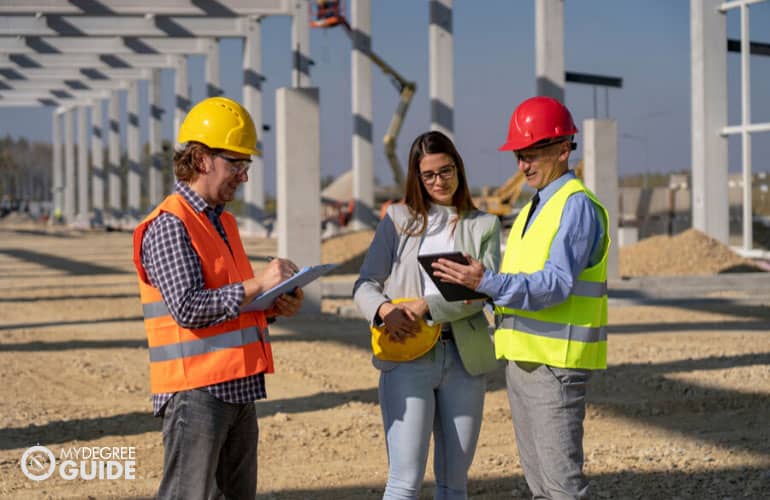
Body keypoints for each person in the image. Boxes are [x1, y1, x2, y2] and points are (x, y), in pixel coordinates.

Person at [432, 96, 609, 500]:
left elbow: (555, 284)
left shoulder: (575, 206)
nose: (523, 165)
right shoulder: (536, 205)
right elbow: (522, 281)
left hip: (555, 365)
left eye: (532, 154)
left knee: (562, 486)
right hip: (525, 360)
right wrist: (475, 287)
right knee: (541, 487)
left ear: (564, 149)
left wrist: (489, 282)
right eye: (519, 156)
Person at [132, 96, 304, 499]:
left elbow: (231, 299)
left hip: (238, 387)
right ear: (201, 159)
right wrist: (259, 284)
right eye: (236, 164)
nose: (243, 176)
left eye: (247, 165)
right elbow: (189, 308)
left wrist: (274, 305)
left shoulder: (222, 221)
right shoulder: (170, 225)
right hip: (197, 393)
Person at [353, 130, 502, 499]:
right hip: (407, 358)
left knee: (455, 483)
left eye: (446, 171)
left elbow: (482, 291)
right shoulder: (397, 220)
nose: (439, 181)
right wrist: (385, 309)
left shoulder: (484, 225)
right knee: (405, 481)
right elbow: (365, 285)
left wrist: (426, 306)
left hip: (464, 359)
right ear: (417, 177)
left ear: (459, 169)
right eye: (429, 175)